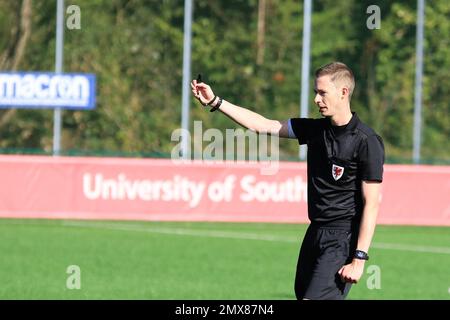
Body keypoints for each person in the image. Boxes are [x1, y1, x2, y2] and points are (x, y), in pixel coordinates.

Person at [191, 62, 384, 300]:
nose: (316, 99)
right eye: (315, 92)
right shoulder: (315, 130)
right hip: (314, 234)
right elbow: (262, 125)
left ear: (344, 93)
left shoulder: (366, 141)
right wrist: (215, 102)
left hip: (342, 239)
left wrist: (359, 259)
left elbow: (372, 203)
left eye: (322, 93)